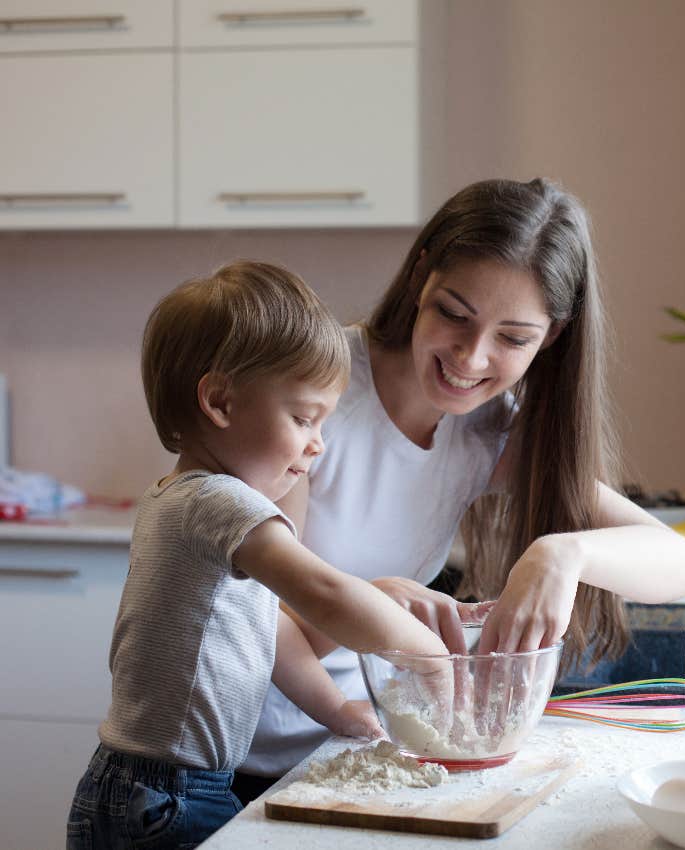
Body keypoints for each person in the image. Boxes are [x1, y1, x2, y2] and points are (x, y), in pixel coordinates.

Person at [232, 178, 685, 803]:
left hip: (354, 749)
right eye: (454, 314)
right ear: (418, 279)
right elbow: (255, 620)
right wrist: (377, 609)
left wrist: (564, 554)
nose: (471, 357)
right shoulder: (317, 394)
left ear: (553, 336)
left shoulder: (489, 430)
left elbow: (682, 564)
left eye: (513, 338)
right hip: (245, 757)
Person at [66, 261, 451, 850]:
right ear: (220, 401)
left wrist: (338, 713)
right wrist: (429, 654)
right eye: (303, 417)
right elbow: (323, 594)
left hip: (159, 788)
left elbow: (268, 633)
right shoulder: (218, 503)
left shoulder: (183, 502)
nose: (317, 443)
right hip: (166, 796)